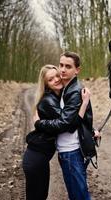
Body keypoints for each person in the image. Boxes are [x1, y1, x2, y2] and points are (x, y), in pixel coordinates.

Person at [34, 52, 99, 200]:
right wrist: (91, 129)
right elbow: (77, 118)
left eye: (68, 66)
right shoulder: (66, 88)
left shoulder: (75, 91)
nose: (62, 70)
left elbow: (67, 124)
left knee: (79, 196)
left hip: (71, 152)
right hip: (68, 151)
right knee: (76, 194)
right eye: (61, 65)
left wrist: (39, 123)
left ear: (77, 70)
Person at [22, 65, 91, 200]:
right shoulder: (48, 101)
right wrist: (84, 104)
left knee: (41, 195)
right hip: (35, 157)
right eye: (50, 79)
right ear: (46, 85)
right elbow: (69, 125)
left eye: (57, 76)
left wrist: (91, 130)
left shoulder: (59, 97)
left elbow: (70, 120)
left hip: (41, 157)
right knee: (36, 196)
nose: (56, 80)